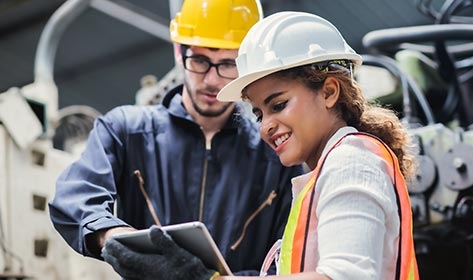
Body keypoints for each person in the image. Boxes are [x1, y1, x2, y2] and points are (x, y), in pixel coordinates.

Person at [48, 1, 303, 278]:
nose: (211, 80)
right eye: (200, 61)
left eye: (228, 64)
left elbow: (286, 261)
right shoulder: (126, 130)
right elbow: (75, 197)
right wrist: (112, 236)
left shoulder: (274, 152)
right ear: (179, 51)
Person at [214, 11, 420, 279]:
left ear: (329, 92)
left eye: (279, 105)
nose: (265, 126)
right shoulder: (331, 169)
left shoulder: (351, 162)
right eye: (259, 114)